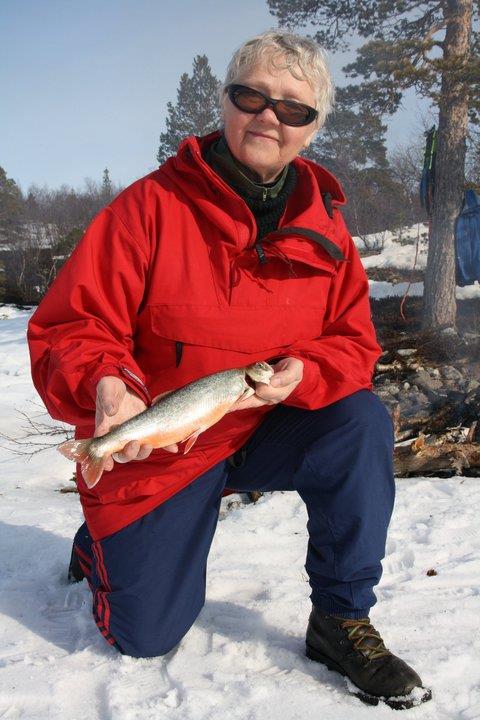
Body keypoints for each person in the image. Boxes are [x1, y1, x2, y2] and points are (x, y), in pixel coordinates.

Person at [28, 30, 431, 709]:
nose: (270, 115)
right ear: (225, 103)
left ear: (311, 128)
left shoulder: (325, 227)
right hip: (163, 445)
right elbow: (71, 325)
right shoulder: (149, 208)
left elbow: (355, 345)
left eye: (294, 109)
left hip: (265, 429)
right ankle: (100, 546)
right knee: (145, 637)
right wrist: (108, 385)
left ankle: (340, 618)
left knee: (359, 420)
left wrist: (304, 373)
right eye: (252, 95)